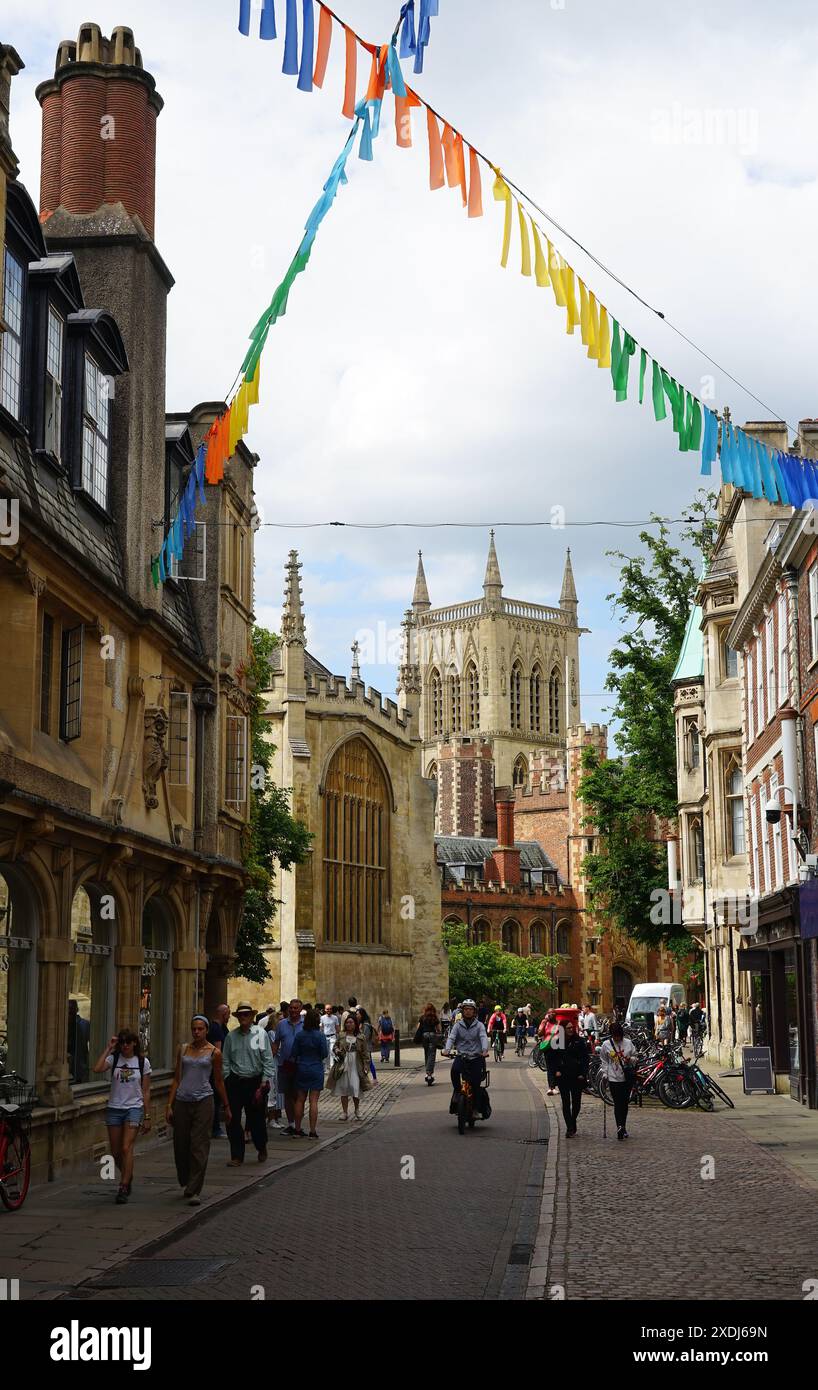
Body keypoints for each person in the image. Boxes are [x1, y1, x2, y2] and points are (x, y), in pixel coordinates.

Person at [166, 1015, 231, 1205]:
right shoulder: (183, 1049)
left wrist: (226, 1106)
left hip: (204, 1100)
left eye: (200, 1029)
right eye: (194, 1028)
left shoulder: (214, 1052)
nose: (196, 1032)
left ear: (206, 1030)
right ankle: (186, 1179)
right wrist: (169, 1104)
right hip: (182, 1100)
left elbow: (218, 1081)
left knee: (199, 1145)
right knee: (181, 1144)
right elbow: (177, 1078)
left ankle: (194, 1189)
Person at [93, 1029, 152, 1205]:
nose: (125, 1045)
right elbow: (96, 1068)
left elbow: (146, 1090)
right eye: (122, 1042)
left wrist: (147, 1115)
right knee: (116, 1152)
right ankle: (128, 1173)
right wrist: (109, 1048)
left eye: (128, 1042)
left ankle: (124, 1186)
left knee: (127, 1148)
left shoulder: (142, 1062)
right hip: (114, 1109)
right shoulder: (115, 1059)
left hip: (133, 1108)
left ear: (135, 1043)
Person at [222, 1002, 275, 1165]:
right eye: (241, 1015)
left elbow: (267, 1059)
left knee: (257, 1120)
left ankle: (261, 1146)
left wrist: (264, 1082)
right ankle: (237, 1155)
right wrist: (227, 1079)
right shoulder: (231, 1036)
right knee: (233, 1120)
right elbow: (225, 1061)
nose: (244, 1018)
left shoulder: (260, 1034)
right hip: (236, 1082)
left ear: (252, 1017)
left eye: (247, 1015)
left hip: (255, 1082)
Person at [442, 999, 489, 1111]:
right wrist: (447, 1050)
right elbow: (452, 1037)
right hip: (462, 1056)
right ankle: (458, 1091)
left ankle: (476, 1110)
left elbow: (483, 1037)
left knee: (476, 1084)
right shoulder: (458, 1026)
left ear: (474, 1012)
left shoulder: (480, 1026)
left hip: (476, 1057)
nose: (468, 1011)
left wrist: (484, 1050)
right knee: (454, 1070)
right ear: (462, 1011)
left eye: (470, 1009)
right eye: (466, 1009)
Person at [290, 1008, 329, 1138]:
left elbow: (294, 1053)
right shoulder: (320, 1036)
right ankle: (312, 1131)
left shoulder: (300, 1035)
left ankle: (297, 1129)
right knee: (314, 1101)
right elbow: (324, 1054)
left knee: (300, 1099)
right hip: (316, 1068)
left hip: (302, 1067)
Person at [326, 1014, 373, 1119]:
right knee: (343, 1088)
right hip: (343, 1064)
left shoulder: (361, 1037)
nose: (349, 1024)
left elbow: (365, 1053)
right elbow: (335, 1047)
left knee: (355, 1087)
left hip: (356, 1064)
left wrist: (366, 1065)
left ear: (355, 1024)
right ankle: (344, 1112)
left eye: (351, 1022)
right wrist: (336, 1050)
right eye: (347, 1022)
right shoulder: (341, 1035)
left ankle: (357, 1110)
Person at [550, 1018, 589, 1138]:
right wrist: (556, 1071)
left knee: (576, 1103)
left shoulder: (579, 1041)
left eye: (572, 1027)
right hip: (563, 1076)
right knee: (566, 1102)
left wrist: (583, 1073)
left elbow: (585, 1058)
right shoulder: (557, 1042)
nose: (571, 1030)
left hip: (577, 1076)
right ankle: (569, 1127)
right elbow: (552, 1059)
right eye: (568, 1028)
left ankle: (573, 1121)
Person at [598, 1021, 636, 1140]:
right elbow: (604, 1060)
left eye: (618, 1036)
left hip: (626, 1077)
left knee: (624, 1103)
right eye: (614, 1036)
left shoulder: (628, 1043)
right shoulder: (606, 1044)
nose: (617, 1038)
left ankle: (623, 1126)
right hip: (613, 1077)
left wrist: (630, 1059)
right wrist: (605, 1073)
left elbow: (636, 1057)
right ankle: (619, 1126)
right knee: (617, 1103)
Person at [271, 999, 304, 1134]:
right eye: (291, 1008)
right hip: (284, 1064)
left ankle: (298, 1125)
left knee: (299, 1095)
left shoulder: (305, 1024)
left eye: (296, 1008)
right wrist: (270, 1060)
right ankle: (291, 1123)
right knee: (287, 1095)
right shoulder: (281, 1025)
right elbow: (276, 1043)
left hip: (301, 1065)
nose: (293, 1010)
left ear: (300, 1009)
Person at [207, 1004, 230, 1137]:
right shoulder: (216, 1029)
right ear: (224, 1014)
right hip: (215, 1070)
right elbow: (218, 1051)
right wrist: (220, 1070)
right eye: (228, 1014)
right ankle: (215, 1128)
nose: (229, 1017)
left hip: (217, 1069)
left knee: (217, 1098)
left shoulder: (221, 1028)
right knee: (216, 1098)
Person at [414, 1003, 442, 1085]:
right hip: (432, 1036)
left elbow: (418, 1027)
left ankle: (428, 1073)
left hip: (424, 1036)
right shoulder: (435, 1017)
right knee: (432, 1055)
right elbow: (438, 1029)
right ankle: (429, 1074)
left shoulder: (422, 1017)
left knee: (427, 1054)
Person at [537, 1009, 562, 1094]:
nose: (551, 1014)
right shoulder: (545, 1022)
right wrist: (544, 1023)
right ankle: (551, 1087)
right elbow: (539, 1034)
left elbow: (562, 1034)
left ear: (556, 1014)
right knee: (550, 1067)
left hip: (558, 1046)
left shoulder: (558, 1023)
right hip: (548, 1047)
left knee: (558, 1066)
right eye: (549, 1013)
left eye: (553, 1013)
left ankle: (557, 1085)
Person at [68, 998, 90, 1083]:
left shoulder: (85, 1025)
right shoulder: (61, 1026)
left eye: (71, 1009)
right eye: (68, 1010)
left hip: (80, 1068)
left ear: (77, 1010)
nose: (70, 1012)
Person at [356, 1007, 378, 1080]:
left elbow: (365, 1037)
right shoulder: (362, 1024)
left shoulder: (366, 1025)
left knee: (369, 1063)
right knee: (368, 1063)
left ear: (361, 1015)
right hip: (365, 1047)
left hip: (366, 1048)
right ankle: (371, 1078)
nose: (356, 1016)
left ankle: (374, 1078)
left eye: (357, 1014)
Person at [320, 1003, 340, 1070]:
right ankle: (325, 1067)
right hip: (325, 1037)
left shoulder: (335, 1017)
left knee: (332, 1051)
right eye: (327, 1009)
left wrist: (338, 1037)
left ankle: (332, 1067)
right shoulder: (322, 1018)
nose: (329, 1010)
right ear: (325, 1010)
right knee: (325, 1052)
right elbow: (321, 1028)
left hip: (333, 1036)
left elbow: (337, 1028)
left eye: (330, 1009)